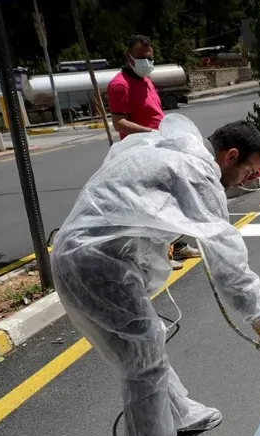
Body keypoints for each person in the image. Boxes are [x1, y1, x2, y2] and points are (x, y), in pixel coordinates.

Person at [51, 116, 260, 436]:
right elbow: (226, 258)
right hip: (93, 264)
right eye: (248, 171)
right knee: (141, 356)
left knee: (149, 339)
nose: (247, 181)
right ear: (231, 155)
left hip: (96, 257)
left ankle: (176, 412)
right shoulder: (196, 172)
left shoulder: (169, 148)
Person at [107, 34, 200, 270]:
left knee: (173, 198)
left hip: (160, 147)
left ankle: (177, 245)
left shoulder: (146, 80)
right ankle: (160, 254)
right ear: (129, 58)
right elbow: (119, 123)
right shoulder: (120, 85)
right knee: (154, 205)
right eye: (142, 58)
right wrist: (150, 132)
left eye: (150, 57)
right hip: (142, 152)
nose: (147, 62)